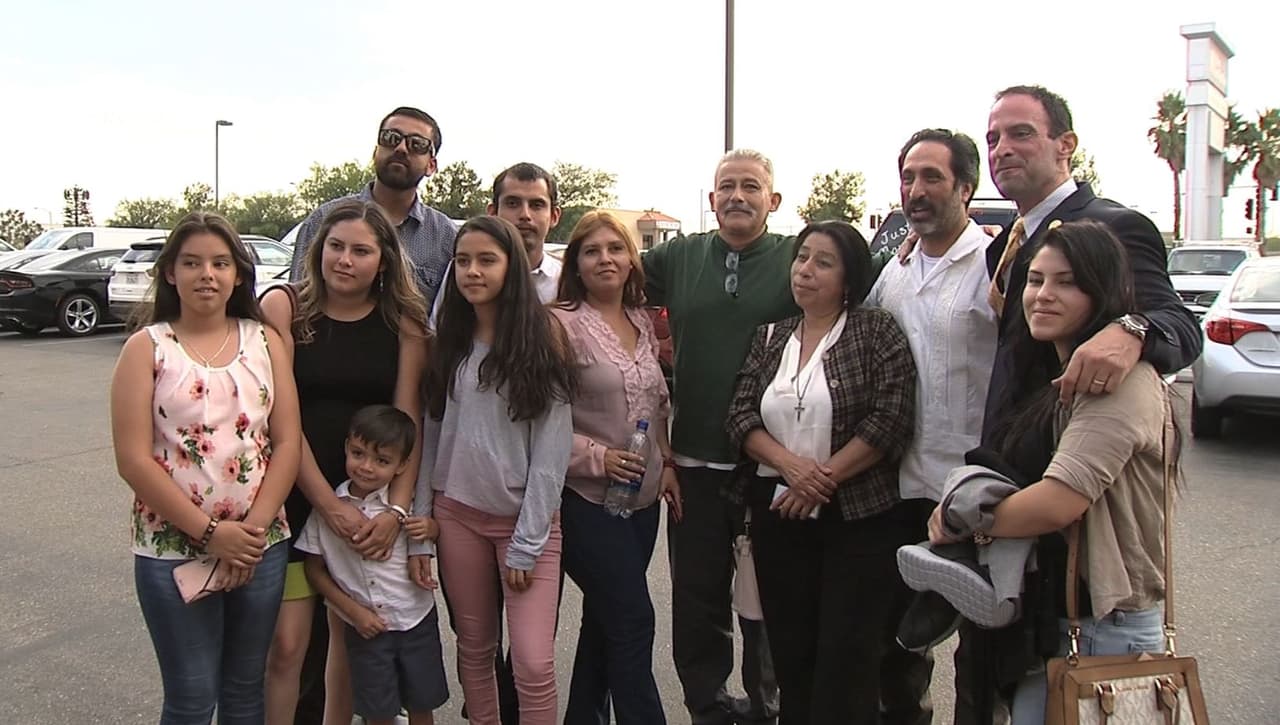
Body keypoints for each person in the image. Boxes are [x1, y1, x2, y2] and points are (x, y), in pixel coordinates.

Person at [957, 84, 1201, 725]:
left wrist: (1134, 330)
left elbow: (1179, 324)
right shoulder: (1006, 244)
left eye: (1021, 133)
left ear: (1066, 145)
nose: (1002, 149)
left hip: (1078, 550)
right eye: (992, 138)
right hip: (1019, 540)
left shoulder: (1113, 227)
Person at [930, 220, 1174, 725]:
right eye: (1036, 280)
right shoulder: (1052, 373)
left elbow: (1058, 502)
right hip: (1058, 621)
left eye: (1066, 282)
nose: (1042, 295)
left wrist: (960, 521)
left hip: (1103, 629)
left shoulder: (1120, 383)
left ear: (1102, 290)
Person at [110, 211, 301, 723]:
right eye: (191, 262)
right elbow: (133, 459)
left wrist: (250, 533)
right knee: (192, 698)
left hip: (259, 547)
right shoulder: (146, 349)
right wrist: (212, 533)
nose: (207, 275)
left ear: (238, 274)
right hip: (172, 548)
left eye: (220, 263)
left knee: (245, 690)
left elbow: (287, 442)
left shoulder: (265, 341)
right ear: (170, 273)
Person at [725, 220, 918, 724]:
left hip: (857, 520)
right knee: (792, 653)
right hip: (780, 516)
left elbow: (891, 418)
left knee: (847, 659)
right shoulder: (771, 336)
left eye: (823, 262)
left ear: (849, 278)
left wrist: (820, 479)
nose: (805, 270)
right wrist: (790, 466)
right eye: (802, 257)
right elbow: (740, 417)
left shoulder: (875, 331)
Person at [261, 200, 429, 725]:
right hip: (297, 499)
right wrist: (326, 505)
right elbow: (282, 418)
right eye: (335, 246)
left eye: (361, 250)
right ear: (318, 250)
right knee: (288, 646)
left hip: (369, 508)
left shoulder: (404, 321)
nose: (345, 260)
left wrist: (395, 511)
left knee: (351, 643)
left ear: (384, 260)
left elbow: (408, 420)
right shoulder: (287, 308)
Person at [642, 148, 788, 725]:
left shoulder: (797, 257)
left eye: (750, 187)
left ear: (773, 200)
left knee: (766, 597)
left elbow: (864, 276)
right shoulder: (679, 257)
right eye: (727, 187)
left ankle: (765, 704)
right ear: (711, 199)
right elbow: (604, 269)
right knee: (697, 598)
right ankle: (708, 706)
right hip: (695, 462)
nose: (737, 196)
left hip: (770, 465)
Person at [417, 215, 574, 725]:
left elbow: (552, 452)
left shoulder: (542, 342)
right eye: (463, 261)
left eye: (487, 260)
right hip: (456, 518)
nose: (472, 271)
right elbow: (431, 437)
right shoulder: (448, 343)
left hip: (525, 526)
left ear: (512, 268)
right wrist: (421, 527)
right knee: (475, 647)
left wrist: (527, 542)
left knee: (533, 662)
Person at [864, 129, 999, 724]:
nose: (916, 191)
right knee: (897, 646)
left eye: (932, 178)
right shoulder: (895, 269)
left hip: (977, 489)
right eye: (908, 178)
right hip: (900, 482)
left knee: (983, 656)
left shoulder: (995, 263)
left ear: (966, 188)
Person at [550, 210, 680, 724]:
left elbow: (657, 404)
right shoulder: (558, 324)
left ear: (631, 260)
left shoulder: (642, 321)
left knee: (604, 622)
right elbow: (536, 423)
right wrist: (598, 456)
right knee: (632, 619)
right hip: (585, 501)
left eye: (615, 248)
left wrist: (667, 462)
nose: (605, 259)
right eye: (592, 251)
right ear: (576, 264)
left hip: (642, 503)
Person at [297, 405, 449, 725]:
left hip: (416, 620)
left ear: (402, 465)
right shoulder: (330, 512)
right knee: (377, 712)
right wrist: (353, 612)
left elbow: (433, 534)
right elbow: (314, 570)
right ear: (346, 447)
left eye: (382, 460)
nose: (366, 467)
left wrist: (430, 528)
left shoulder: (404, 505)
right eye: (358, 453)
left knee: (422, 706)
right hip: (365, 629)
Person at [289, 106, 457, 308]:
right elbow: (298, 305)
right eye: (391, 138)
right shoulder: (323, 220)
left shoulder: (446, 237)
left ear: (431, 165)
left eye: (417, 144)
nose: (401, 148)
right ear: (375, 151)